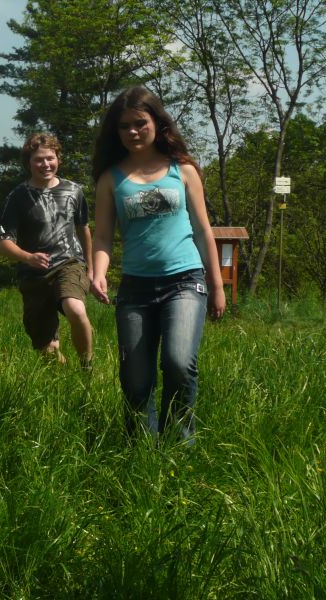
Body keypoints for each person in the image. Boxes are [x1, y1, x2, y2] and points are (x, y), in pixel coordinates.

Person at [91, 86, 225, 442]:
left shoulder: (183, 170)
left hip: (185, 281)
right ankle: (142, 452)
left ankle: (179, 446)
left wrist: (217, 286)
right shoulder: (110, 179)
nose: (133, 132)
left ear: (157, 123)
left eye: (140, 123)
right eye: (124, 126)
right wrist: (98, 273)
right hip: (135, 288)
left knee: (178, 362)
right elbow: (102, 237)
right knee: (135, 379)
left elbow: (203, 231)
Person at [0, 132, 94, 369]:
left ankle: (86, 367)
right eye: (38, 160)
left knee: (76, 309)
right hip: (34, 275)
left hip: (69, 264)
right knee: (48, 350)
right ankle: (66, 377)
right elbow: (3, 244)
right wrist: (28, 257)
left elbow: (83, 230)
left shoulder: (74, 191)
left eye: (50, 158)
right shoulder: (18, 197)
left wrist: (91, 270)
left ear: (58, 158)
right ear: (28, 163)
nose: (45, 164)